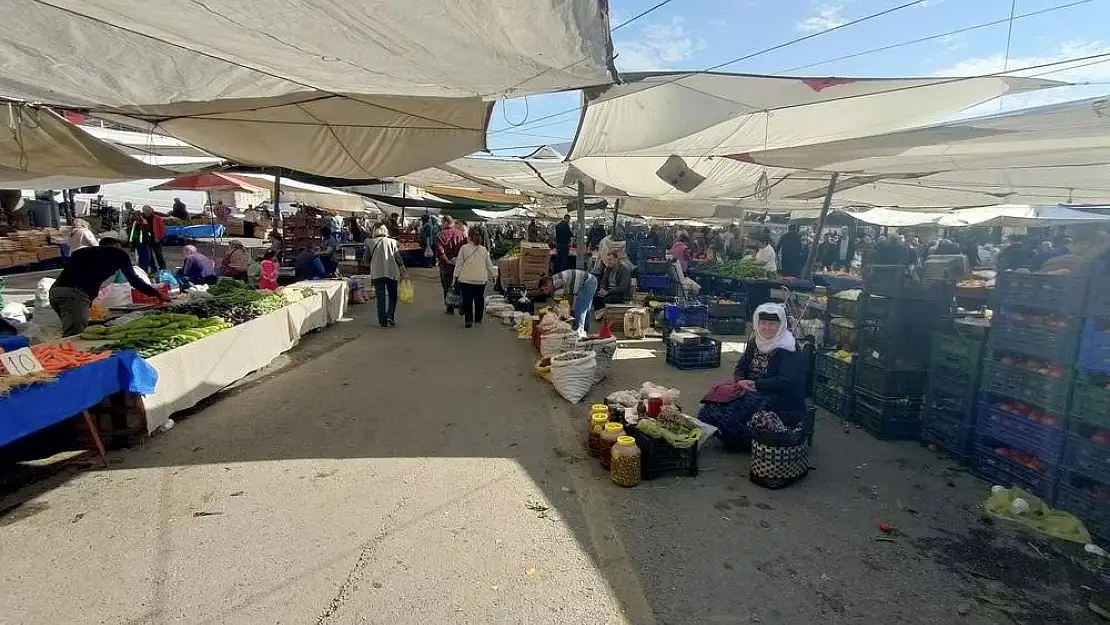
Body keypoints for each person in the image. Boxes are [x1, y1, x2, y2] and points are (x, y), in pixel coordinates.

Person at [696, 303, 807, 450]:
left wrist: (757, 385)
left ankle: (751, 441)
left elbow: (787, 382)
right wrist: (741, 381)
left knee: (732, 417)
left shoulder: (789, 348)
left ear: (781, 325)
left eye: (772, 324)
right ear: (757, 323)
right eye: (763, 323)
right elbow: (740, 367)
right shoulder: (755, 342)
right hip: (749, 390)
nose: (766, 328)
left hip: (777, 399)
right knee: (709, 410)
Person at [49, 237, 169, 336]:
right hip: (74, 295)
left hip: (55, 292)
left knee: (70, 328)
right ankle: (72, 363)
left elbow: (82, 274)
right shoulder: (118, 254)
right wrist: (157, 294)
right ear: (116, 246)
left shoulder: (82, 252)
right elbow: (134, 280)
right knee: (75, 335)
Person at [453, 227, 498, 328]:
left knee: (467, 299)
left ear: (469, 236)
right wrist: (494, 275)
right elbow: (489, 265)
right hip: (480, 279)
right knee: (479, 298)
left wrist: (455, 277)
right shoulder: (484, 250)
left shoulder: (464, 248)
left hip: (465, 279)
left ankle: (468, 320)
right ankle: (478, 318)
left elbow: (459, 265)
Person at [365, 225, 408, 328]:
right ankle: (390, 316)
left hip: (377, 273)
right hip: (391, 272)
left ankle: (382, 321)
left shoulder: (369, 242)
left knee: (381, 298)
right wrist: (404, 273)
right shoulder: (392, 242)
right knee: (393, 296)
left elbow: (366, 259)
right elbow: (399, 259)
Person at [539, 268, 598, 337]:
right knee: (585, 308)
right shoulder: (553, 280)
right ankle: (585, 329)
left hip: (588, 282)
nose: (546, 292)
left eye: (545, 289)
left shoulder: (557, 283)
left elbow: (559, 304)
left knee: (580, 309)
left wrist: (553, 313)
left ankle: (579, 333)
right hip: (590, 281)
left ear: (548, 284)